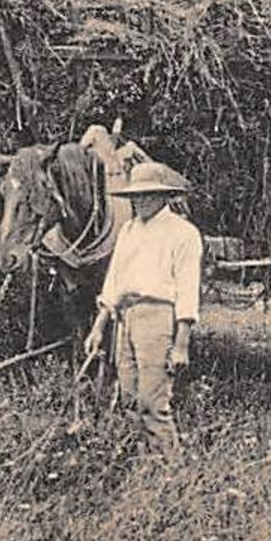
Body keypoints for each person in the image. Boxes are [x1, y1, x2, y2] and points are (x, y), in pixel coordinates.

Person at [82, 162, 202, 456]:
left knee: (153, 400)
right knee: (129, 397)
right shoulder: (128, 231)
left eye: (148, 194)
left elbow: (188, 288)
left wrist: (181, 344)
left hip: (157, 318)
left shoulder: (182, 233)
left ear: (164, 196)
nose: (141, 201)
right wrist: (99, 326)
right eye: (136, 196)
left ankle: (168, 468)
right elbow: (114, 281)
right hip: (126, 318)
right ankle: (145, 461)